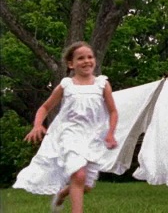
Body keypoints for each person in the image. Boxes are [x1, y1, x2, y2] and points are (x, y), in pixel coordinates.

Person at [13, 41, 119, 213]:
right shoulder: (66, 85)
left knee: (86, 185)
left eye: (90, 57)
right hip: (70, 133)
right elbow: (45, 107)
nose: (86, 61)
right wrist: (37, 125)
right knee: (78, 175)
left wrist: (110, 133)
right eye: (81, 58)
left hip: (93, 136)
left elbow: (113, 111)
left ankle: (62, 194)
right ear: (71, 64)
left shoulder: (102, 84)